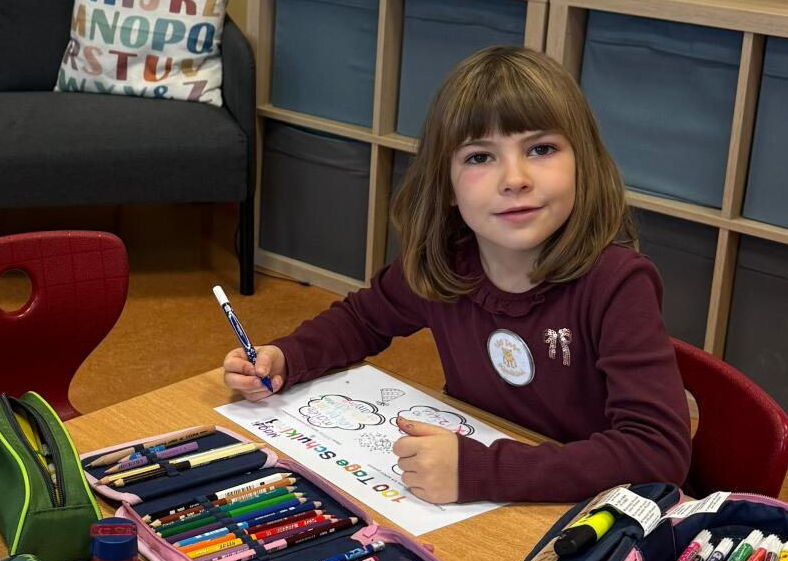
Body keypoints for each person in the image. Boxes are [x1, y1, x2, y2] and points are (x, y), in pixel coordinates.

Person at [223, 46, 691, 504]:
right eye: (480, 157)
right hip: (476, 505)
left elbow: (657, 453)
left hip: (581, 516)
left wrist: (479, 470)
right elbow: (360, 320)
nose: (515, 179)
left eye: (541, 148)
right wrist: (285, 357)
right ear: (445, 183)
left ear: (583, 165)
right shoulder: (445, 261)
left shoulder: (617, 283)